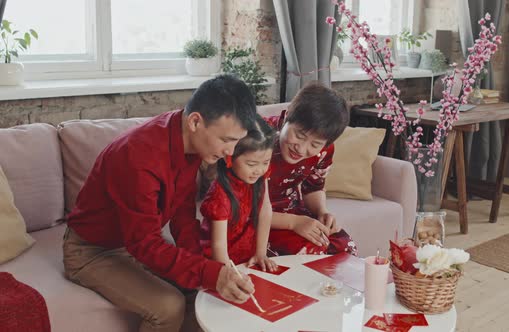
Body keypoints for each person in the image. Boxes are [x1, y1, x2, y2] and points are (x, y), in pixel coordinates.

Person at [63, 75, 257, 332]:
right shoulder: (138, 157)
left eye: (236, 142)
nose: (230, 153)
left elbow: (183, 215)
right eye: (226, 140)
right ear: (195, 121)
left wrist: (206, 269)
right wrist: (209, 273)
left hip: (130, 242)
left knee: (203, 292)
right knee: (169, 307)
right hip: (91, 251)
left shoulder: (187, 138)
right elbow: (143, 243)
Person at [264, 82, 358, 256]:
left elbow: (313, 187)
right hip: (256, 220)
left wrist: (322, 212)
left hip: (295, 213)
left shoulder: (324, 151)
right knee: (310, 252)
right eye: (299, 135)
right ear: (286, 118)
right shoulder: (258, 141)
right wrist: (294, 223)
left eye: (315, 144)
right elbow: (241, 209)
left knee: (344, 248)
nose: (301, 149)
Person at [200, 114, 278, 272]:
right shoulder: (219, 195)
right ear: (229, 158)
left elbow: (265, 211)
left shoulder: (260, 176)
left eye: (265, 162)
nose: (259, 170)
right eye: (251, 164)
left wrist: (261, 252)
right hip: (219, 257)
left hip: (246, 251)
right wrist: (229, 274)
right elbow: (218, 245)